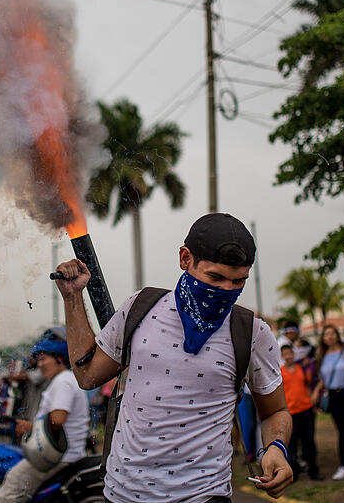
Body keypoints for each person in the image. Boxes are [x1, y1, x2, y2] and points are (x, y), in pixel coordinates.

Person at [54, 213, 293, 501]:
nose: (225, 291)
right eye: (215, 277)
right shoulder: (139, 308)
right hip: (122, 494)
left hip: (204, 496)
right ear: (185, 258)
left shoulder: (253, 333)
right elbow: (87, 375)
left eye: (238, 282)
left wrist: (276, 449)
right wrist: (72, 297)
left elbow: (275, 411)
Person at [0, 338, 89, 503]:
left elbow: (58, 420)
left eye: (44, 359)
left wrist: (31, 427)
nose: (40, 365)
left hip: (57, 459)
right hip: (66, 454)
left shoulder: (63, 381)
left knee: (6, 495)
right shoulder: (64, 380)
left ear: (59, 359)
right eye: (38, 360)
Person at [311, 325, 344, 480]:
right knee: (341, 432)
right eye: (326, 334)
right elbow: (323, 379)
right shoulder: (322, 355)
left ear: (337, 335)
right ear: (323, 338)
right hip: (335, 396)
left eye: (332, 333)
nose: (329, 336)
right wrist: (316, 391)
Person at [281, 344, 321, 481]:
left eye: (290, 353)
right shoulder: (280, 372)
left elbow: (308, 386)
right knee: (292, 443)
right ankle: (294, 472)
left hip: (306, 410)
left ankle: (313, 470)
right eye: (285, 354)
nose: (288, 356)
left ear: (294, 354)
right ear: (282, 357)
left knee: (309, 441)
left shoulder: (301, 369)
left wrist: (313, 404)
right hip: (291, 412)